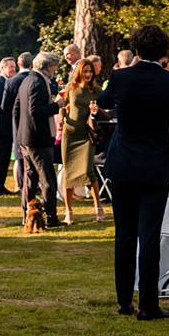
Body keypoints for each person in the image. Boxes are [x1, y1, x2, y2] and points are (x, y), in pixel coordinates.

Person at [96, 23, 169, 320]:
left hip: (123, 163)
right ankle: (149, 305)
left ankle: (125, 301)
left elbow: (102, 102)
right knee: (149, 235)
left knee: (124, 234)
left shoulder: (121, 78)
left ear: (136, 50)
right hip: (156, 165)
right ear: (164, 53)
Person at [16, 52, 62, 227]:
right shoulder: (38, 82)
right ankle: (51, 217)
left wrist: (20, 133)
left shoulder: (26, 80)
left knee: (30, 179)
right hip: (38, 138)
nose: (54, 70)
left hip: (26, 137)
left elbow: (16, 109)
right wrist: (56, 106)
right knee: (47, 179)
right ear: (47, 67)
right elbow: (36, 111)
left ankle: (27, 214)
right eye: (53, 67)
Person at [59, 58, 104, 224]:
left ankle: (98, 207)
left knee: (88, 171)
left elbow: (104, 110)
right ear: (79, 72)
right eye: (85, 71)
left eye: (90, 72)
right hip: (70, 134)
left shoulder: (96, 90)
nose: (88, 74)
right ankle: (69, 211)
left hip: (86, 135)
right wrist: (64, 121)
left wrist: (96, 111)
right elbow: (62, 106)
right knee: (68, 171)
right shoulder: (71, 88)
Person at [0, 56, 19, 195]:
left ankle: (1, 185)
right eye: (10, 67)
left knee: (6, 158)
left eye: (14, 66)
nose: (13, 69)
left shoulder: (9, 82)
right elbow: (1, 104)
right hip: (0, 127)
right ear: (2, 68)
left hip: (9, 126)